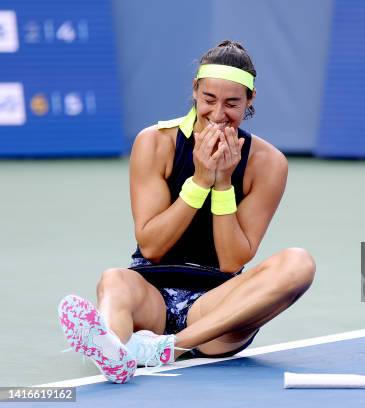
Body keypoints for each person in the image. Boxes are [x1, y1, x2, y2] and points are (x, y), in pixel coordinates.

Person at [58, 40, 316, 384]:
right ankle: (114, 350)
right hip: (150, 294)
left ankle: (168, 349)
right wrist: (198, 182)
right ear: (195, 90)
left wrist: (222, 183)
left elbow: (230, 262)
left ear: (250, 101)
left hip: (215, 314)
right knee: (114, 279)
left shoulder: (268, 164)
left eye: (232, 103)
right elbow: (151, 247)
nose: (218, 114)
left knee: (299, 264)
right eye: (209, 99)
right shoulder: (154, 142)